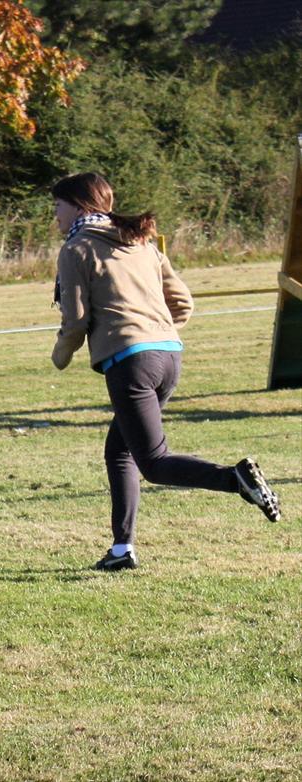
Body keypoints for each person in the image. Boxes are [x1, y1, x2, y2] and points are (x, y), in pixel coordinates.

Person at [49, 172, 282, 571]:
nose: (54, 215)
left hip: (132, 361)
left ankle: (235, 479)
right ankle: (122, 550)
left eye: (56, 206)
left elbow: (75, 320)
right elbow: (183, 303)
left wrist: (61, 354)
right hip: (169, 355)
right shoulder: (140, 243)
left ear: (79, 206)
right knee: (119, 450)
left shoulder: (77, 249)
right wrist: (154, 331)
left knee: (153, 463)